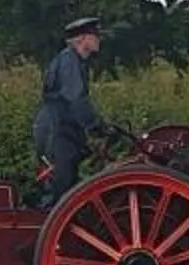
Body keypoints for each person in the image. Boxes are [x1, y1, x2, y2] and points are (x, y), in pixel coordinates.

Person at [31, 15, 128, 205]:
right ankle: (46, 229)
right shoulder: (70, 62)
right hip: (57, 131)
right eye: (95, 36)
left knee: (68, 189)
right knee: (60, 189)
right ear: (82, 39)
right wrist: (97, 127)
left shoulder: (73, 61)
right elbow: (76, 100)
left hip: (61, 129)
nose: (98, 39)